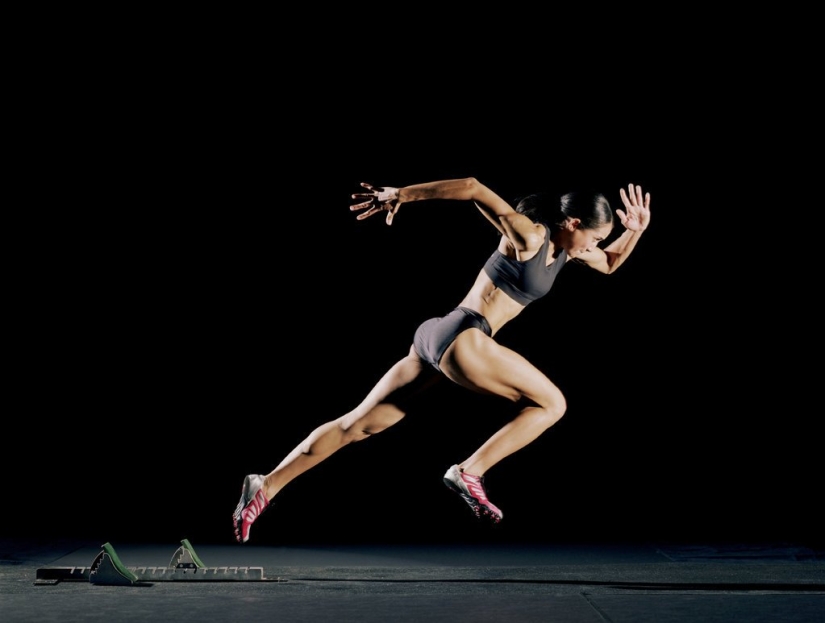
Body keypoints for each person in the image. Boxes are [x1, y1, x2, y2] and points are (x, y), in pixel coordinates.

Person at [233, 177, 651, 543]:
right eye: (594, 237)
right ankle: (469, 471)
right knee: (552, 404)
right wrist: (401, 194)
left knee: (356, 425)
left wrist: (634, 231)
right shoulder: (531, 237)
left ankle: (265, 485)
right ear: (573, 224)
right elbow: (472, 187)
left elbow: (612, 264)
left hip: (436, 337)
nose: (595, 246)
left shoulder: (568, 252)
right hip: (466, 336)